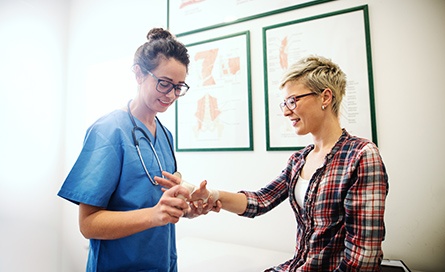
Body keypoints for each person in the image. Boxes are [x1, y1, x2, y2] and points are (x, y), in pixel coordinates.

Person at [156, 55, 389, 271]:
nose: (287, 112)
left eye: (293, 101)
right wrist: (207, 193)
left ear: (325, 97)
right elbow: (261, 200)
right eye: (284, 103)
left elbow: (363, 258)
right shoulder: (299, 159)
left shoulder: (360, 155)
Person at [57, 28, 214, 272]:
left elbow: (156, 203)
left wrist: (186, 209)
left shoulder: (164, 135)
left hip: (163, 263)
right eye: (164, 84)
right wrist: (154, 215)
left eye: (178, 87)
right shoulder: (108, 131)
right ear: (139, 74)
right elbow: (88, 224)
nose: (171, 95)